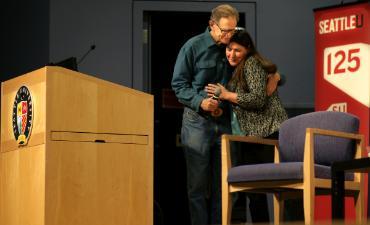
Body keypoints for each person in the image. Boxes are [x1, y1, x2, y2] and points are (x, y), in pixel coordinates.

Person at [171, 4, 281, 225]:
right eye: (225, 31)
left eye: (233, 30)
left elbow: (259, 66)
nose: (229, 36)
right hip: (197, 124)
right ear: (212, 25)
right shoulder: (193, 47)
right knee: (198, 187)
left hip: (226, 124)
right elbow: (179, 84)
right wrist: (201, 102)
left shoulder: (232, 46)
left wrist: (276, 75)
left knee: (225, 186)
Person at [205, 29, 288, 223]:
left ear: (248, 50)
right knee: (254, 191)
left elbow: (257, 100)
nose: (231, 54)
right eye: (229, 49)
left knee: (270, 189)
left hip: (268, 133)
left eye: (237, 50)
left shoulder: (251, 64)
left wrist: (226, 95)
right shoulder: (240, 67)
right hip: (253, 136)